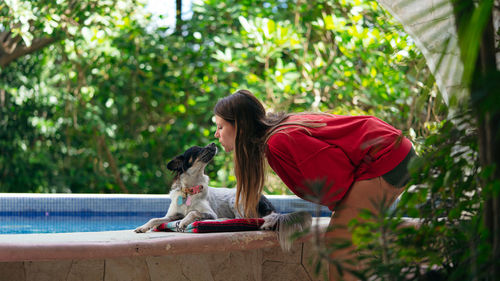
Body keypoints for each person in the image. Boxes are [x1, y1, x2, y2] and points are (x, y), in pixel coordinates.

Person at [213, 89, 415, 281]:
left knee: (338, 240)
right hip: (391, 149)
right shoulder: (280, 132)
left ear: (239, 125)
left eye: (220, 127)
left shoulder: (279, 141)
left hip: (387, 155)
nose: (216, 134)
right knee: (345, 238)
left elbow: (337, 181)